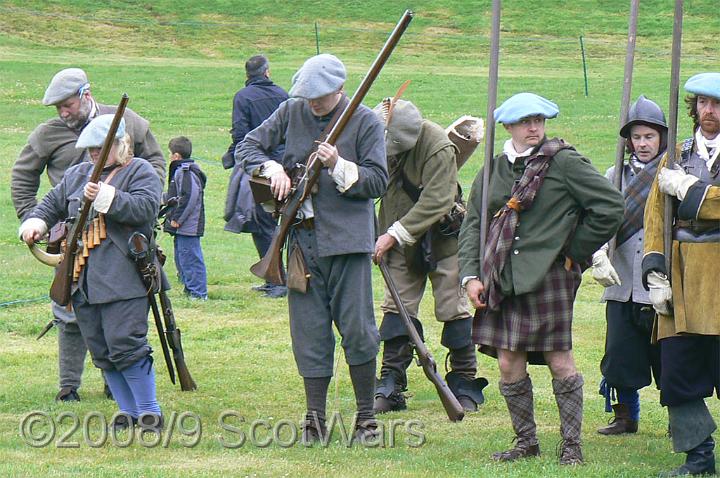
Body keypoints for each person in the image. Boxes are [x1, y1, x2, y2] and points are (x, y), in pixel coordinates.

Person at [458, 92, 624, 464]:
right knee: (507, 362)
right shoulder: (493, 168)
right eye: (524, 122)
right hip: (501, 275)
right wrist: (470, 275)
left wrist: (571, 252)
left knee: (559, 359)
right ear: (508, 126)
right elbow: (473, 224)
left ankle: (571, 446)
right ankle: (526, 442)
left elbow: (610, 207)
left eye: (539, 120)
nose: (534, 128)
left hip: (550, 277)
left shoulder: (563, 163)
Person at [238, 54, 388, 443]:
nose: (313, 104)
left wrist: (339, 164)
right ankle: (314, 420)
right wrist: (271, 169)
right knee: (309, 333)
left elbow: (377, 182)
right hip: (301, 241)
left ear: (340, 89)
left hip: (347, 244)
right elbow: (248, 147)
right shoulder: (291, 111)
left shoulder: (367, 120)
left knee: (358, 330)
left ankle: (367, 420)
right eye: (308, 96)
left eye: (319, 97)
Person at [11, 67, 165, 402]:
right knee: (93, 339)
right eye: (91, 150)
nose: (94, 155)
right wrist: (34, 221)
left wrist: (115, 198)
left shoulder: (135, 158)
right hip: (80, 260)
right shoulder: (72, 164)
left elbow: (149, 196)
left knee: (125, 341)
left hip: (123, 261)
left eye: (100, 148)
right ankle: (97, 397)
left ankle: (146, 410)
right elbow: (49, 199)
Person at [372, 99, 487, 413]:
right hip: (396, 242)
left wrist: (393, 234)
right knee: (396, 308)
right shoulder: (376, 134)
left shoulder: (438, 146)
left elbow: (439, 200)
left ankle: (463, 380)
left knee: (454, 308)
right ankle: (391, 381)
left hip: (443, 239)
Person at [642, 72, 720, 477]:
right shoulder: (676, 154)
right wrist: (655, 270)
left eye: (718, 104)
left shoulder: (682, 171)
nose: (710, 111)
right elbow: (655, 213)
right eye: (704, 103)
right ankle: (698, 456)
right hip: (682, 276)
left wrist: (692, 191)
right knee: (677, 373)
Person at [591, 95, 667, 435]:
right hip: (621, 284)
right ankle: (626, 417)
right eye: (636, 137)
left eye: (649, 137)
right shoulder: (614, 175)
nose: (642, 144)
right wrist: (598, 253)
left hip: (660, 283)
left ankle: (678, 421)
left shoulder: (672, 176)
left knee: (669, 359)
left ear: (661, 138)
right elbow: (599, 221)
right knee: (619, 356)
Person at [223, 54, 289, 299]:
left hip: (259, 166)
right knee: (276, 222)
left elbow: (240, 132)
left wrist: (237, 157)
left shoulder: (243, 97)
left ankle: (277, 280)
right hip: (284, 164)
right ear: (267, 72)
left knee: (262, 222)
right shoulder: (283, 95)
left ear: (247, 75)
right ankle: (275, 277)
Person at [163, 136, 208, 300]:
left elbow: (189, 197)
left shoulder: (185, 172)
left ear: (176, 156)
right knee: (182, 257)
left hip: (188, 226)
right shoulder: (182, 171)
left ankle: (198, 292)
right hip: (183, 226)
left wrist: (177, 219)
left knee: (191, 258)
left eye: (170, 154)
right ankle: (189, 288)